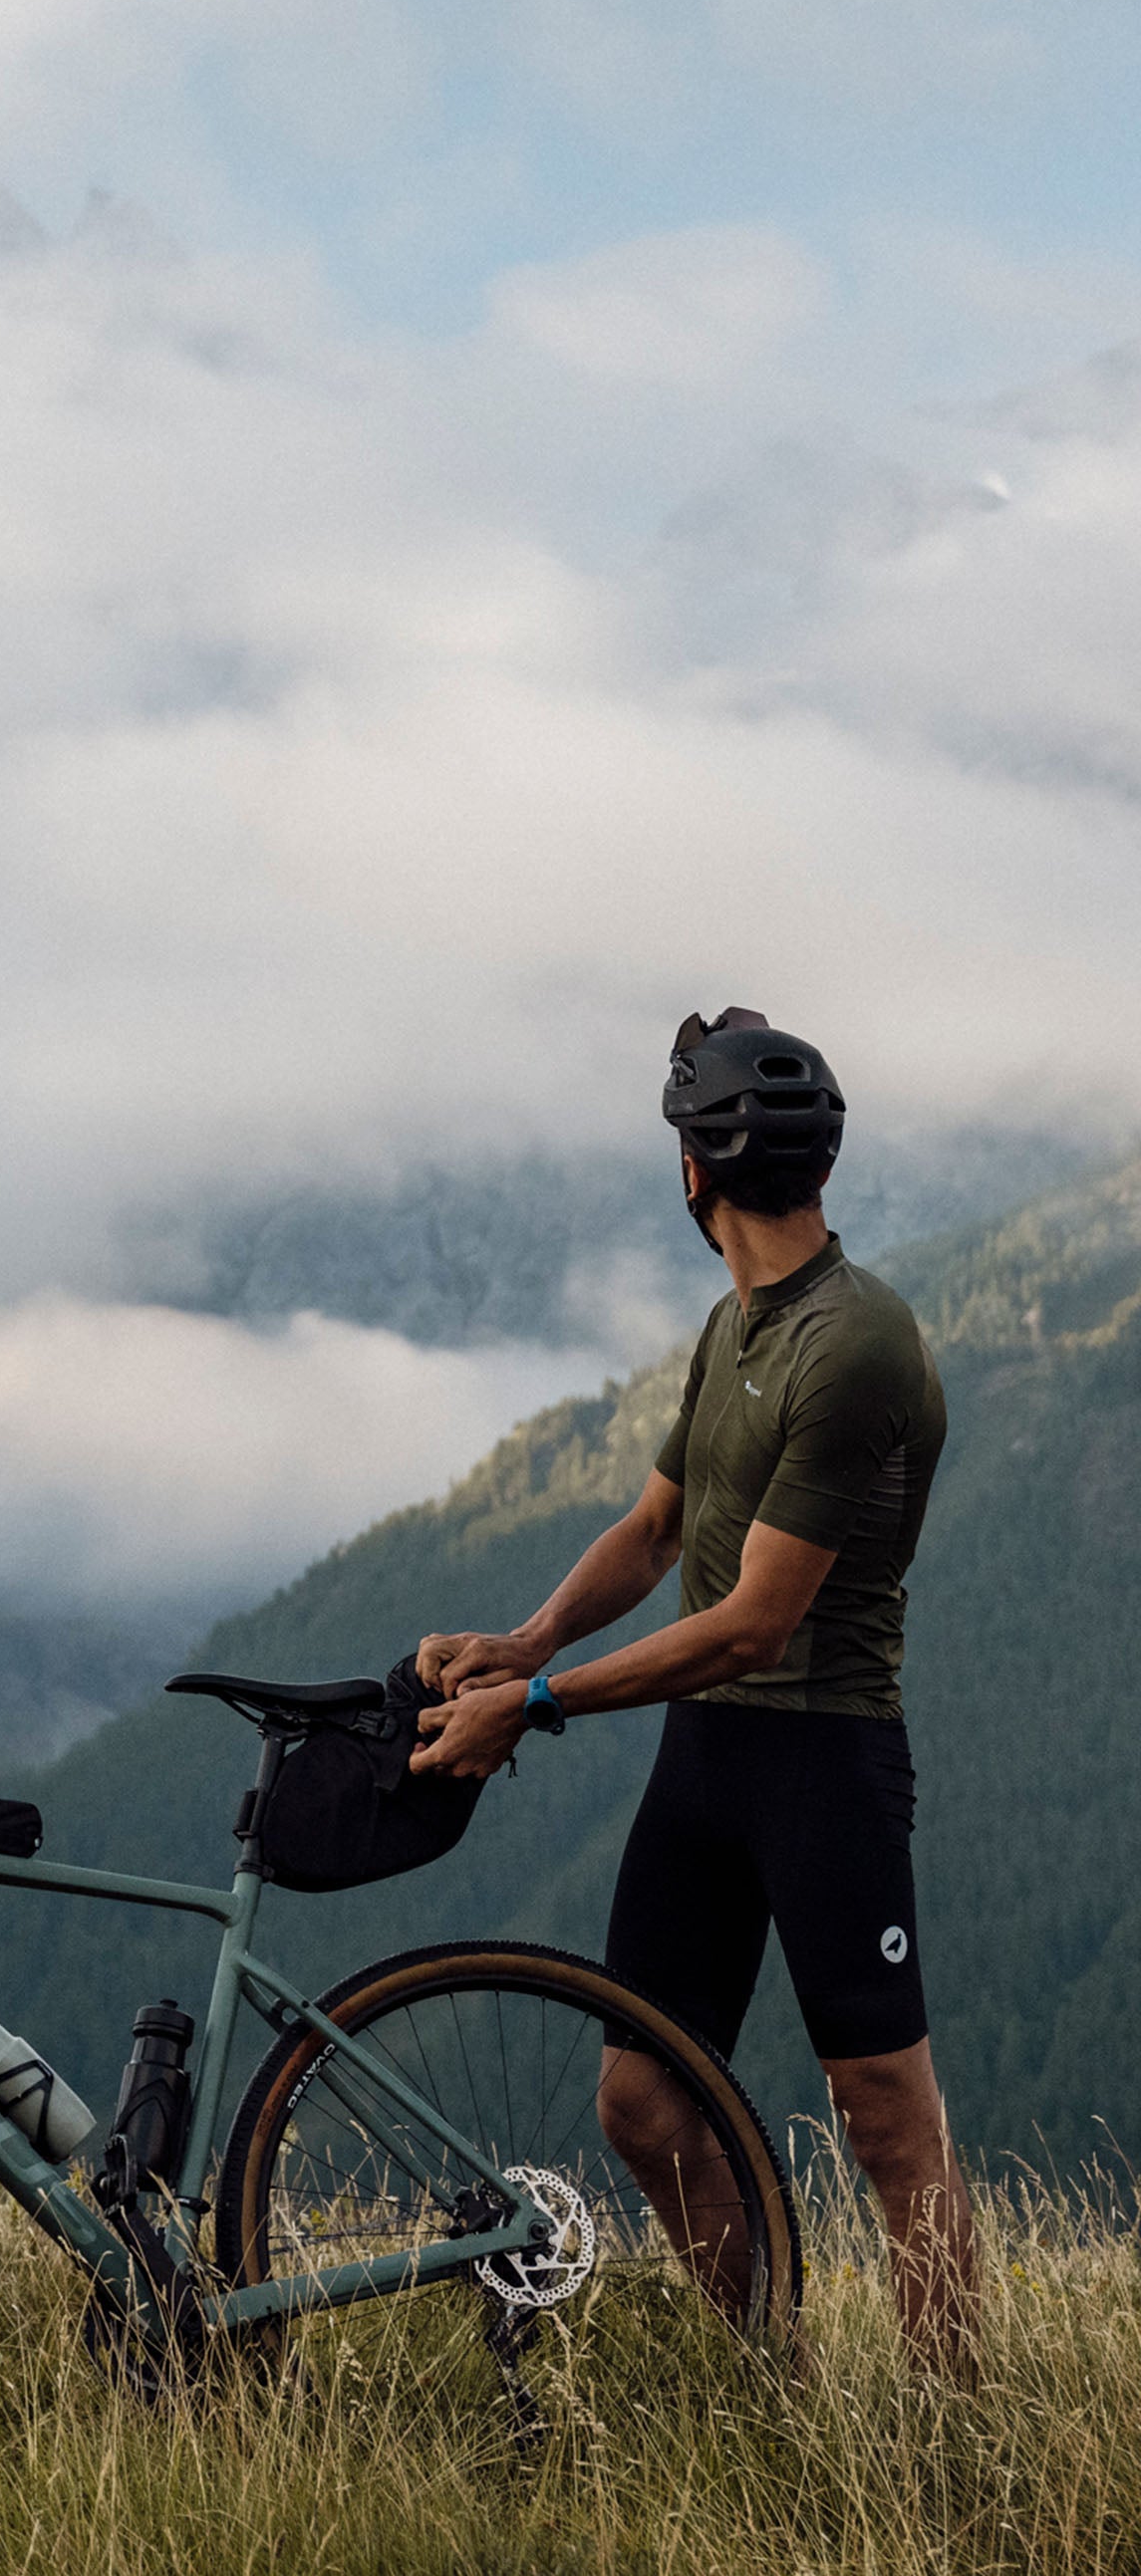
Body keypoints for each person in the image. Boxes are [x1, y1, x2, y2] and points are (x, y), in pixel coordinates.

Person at [409, 1008, 977, 2377]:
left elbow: (752, 1629)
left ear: (693, 1172)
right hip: (706, 1764)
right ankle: (774, 2381)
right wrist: (525, 1643)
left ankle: (959, 2433)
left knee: (887, 2120)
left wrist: (536, 1705)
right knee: (643, 2100)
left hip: (823, 1758)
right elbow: (657, 1529)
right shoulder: (737, 1328)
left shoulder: (855, 1342)